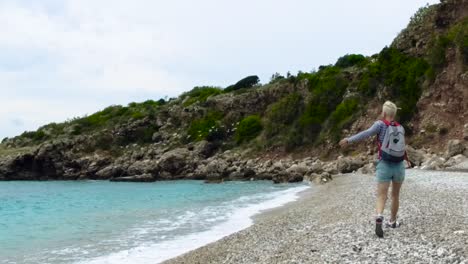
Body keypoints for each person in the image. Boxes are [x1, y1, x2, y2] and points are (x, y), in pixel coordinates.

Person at [339, 101, 409, 238]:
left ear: (384, 113)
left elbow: (366, 133)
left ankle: (379, 217)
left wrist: (349, 140)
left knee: (381, 195)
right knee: (395, 195)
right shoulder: (400, 127)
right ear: (394, 114)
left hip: (384, 164)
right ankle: (393, 222)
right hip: (399, 165)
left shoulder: (380, 124)